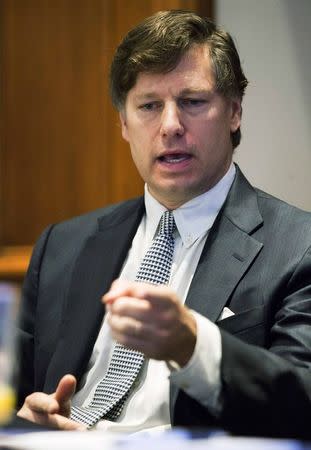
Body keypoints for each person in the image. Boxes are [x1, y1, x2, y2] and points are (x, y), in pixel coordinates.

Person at [16, 10, 311, 439]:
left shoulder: (298, 246)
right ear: (123, 123)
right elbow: (18, 399)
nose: (170, 126)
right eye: (150, 106)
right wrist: (32, 423)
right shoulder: (62, 245)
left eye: (192, 102)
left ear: (233, 112)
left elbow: (303, 401)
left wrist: (193, 346)